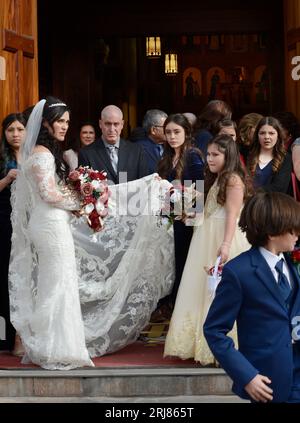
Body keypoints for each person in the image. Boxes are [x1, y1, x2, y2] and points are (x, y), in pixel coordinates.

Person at [9, 96, 94, 370]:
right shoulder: (42, 155)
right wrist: (80, 202)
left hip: (50, 222)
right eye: (60, 121)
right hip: (49, 224)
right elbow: (48, 194)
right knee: (56, 283)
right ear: (45, 122)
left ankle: (58, 344)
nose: (65, 126)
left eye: (68, 122)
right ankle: (50, 345)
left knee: (57, 281)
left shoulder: (41, 152)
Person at [204, 192, 300, 403]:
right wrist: (246, 376)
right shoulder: (239, 272)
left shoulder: (291, 266)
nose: (297, 234)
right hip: (268, 382)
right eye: (293, 229)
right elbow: (214, 330)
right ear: (273, 232)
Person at [164, 134, 251, 364]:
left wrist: (225, 245)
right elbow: (210, 210)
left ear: (228, 155)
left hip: (223, 238)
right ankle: (201, 342)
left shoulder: (233, 180)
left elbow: (232, 215)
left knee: (219, 291)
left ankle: (223, 346)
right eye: (209, 154)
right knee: (202, 290)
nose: (210, 159)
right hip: (205, 236)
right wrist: (187, 210)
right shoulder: (218, 178)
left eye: (215, 155)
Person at [155, 114, 204, 317]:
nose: (172, 136)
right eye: (168, 132)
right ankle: (169, 303)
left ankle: (180, 308)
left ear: (187, 133)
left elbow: (200, 191)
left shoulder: (193, 156)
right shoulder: (166, 157)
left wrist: (189, 213)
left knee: (183, 262)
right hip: (169, 218)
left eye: (177, 132)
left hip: (187, 220)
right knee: (170, 262)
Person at [0, 113, 26, 355]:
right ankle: (4, 335)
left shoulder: (34, 155)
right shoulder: (2, 158)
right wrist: (7, 178)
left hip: (27, 222)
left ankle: (22, 334)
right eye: (11, 130)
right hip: (3, 221)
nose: (15, 134)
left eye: (19, 129)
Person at [78, 105, 150, 184]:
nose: (112, 129)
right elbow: (85, 187)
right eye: (108, 124)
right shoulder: (86, 153)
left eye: (116, 124)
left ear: (122, 124)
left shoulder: (137, 151)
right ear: (100, 124)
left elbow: (144, 183)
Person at [247, 116, 293, 194]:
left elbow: (279, 188)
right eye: (262, 133)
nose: (267, 137)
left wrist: (252, 192)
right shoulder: (248, 155)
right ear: (257, 136)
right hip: (249, 204)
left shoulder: (285, 158)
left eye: (271, 133)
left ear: (278, 135)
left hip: (273, 204)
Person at [136, 109, 167, 174]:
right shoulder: (138, 149)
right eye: (165, 127)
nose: (168, 130)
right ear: (153, 130)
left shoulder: (171, 146)